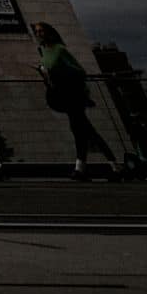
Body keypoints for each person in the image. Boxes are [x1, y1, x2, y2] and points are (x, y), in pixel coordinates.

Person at [35, 21, 116, 180]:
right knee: (79, 130)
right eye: (36, 32)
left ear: (49, 33)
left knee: (85, 130)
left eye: (41, 31)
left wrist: (58, 72)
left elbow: (79, 71)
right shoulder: (43, 51)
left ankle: (114, 165)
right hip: (61, 95)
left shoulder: (60, 50)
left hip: (72, 95)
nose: (38, 34)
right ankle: (82, 168)